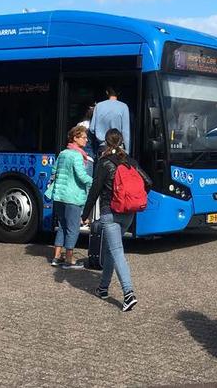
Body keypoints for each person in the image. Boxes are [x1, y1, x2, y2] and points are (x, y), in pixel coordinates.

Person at [82, 128, 150, 311]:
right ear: (121, 141)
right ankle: (103, 288)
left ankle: (128, 294)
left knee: (117, 250)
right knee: (111, 251)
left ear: (106, 142)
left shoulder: (104, 162)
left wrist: (85, 214)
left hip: (110, 211)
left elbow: (95, 190)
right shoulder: (131, 161)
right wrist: (135, 198)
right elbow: (148, 182)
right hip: (128, 213)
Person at [50, 125, 94, 268]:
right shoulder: (77, 155)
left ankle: (56, 257)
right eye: (84, 137)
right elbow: (81, 176)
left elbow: (54, 170)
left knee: (62, 226)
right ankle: (69, 259)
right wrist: (94, 182)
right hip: (72, 197)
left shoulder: (63, 153)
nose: (86, 140)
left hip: (59, 197)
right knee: (73, 228)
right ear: (75, 138)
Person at [91, 87, 130, 152]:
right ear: (119, 93)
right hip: (118, 146)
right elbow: (126, 132)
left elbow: (92, 129)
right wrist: (127, 150)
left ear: (107, 92)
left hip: (102, 146)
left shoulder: (99, 106)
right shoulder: (123, 107)